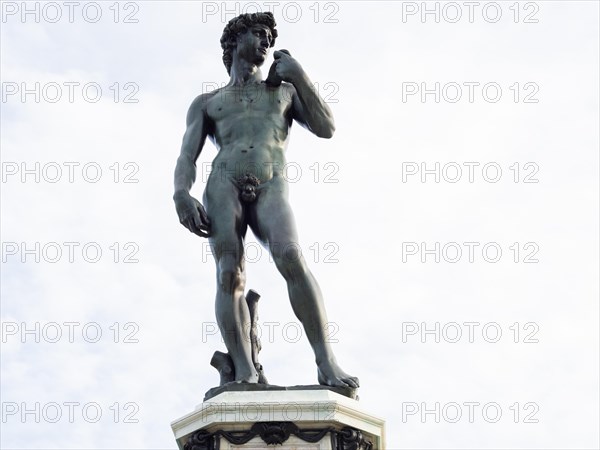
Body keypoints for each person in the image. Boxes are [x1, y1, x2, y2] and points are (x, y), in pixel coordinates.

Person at [173, 12, 358, 389]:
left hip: (271, 182)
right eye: (259, 34)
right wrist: (180, 193)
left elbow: (326, 128)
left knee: (290, 255)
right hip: (223, 183)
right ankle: (244, 371)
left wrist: (299, 74)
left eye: (270, 38)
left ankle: (327, 363)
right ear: (236, 39)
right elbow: (186, 156)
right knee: (229, 273)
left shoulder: (284, 91)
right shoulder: (209, 102)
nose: (267, 42)